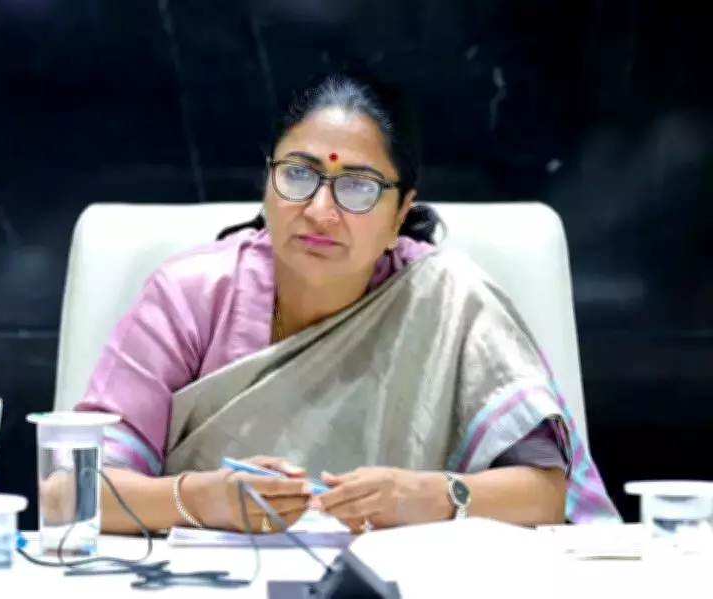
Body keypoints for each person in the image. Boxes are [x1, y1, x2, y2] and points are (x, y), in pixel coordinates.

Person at [74, 72, 620, 535]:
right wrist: (197, 500)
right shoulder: (190, 296)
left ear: (401, 211)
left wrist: (431, 496)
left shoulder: (450, 300)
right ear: (266, 180)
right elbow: (71, 489)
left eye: (357, 186)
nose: (319, 210)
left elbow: (546, 493)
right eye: (298, 174)